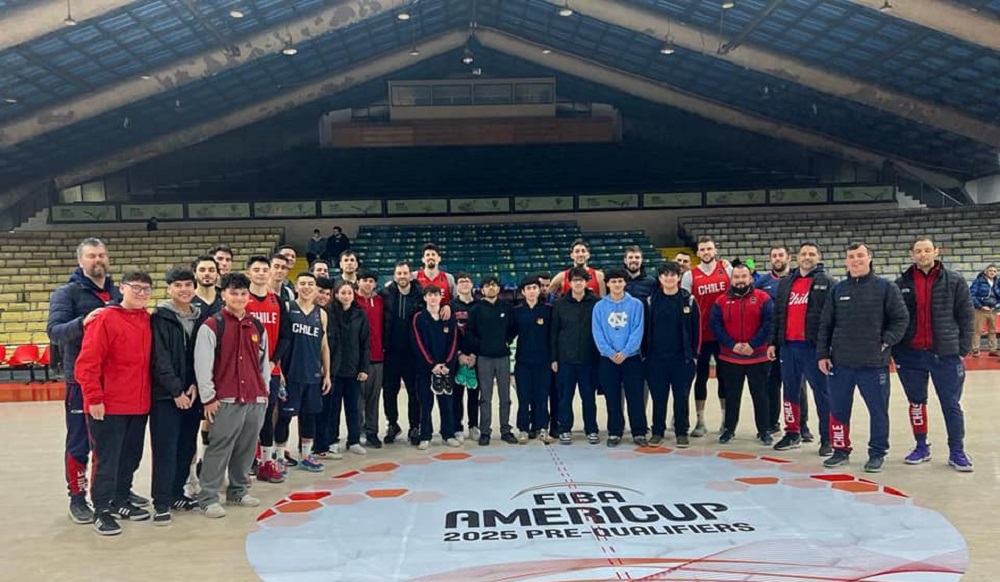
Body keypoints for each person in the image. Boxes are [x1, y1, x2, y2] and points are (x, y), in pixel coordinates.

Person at [46, 237, 128, 525]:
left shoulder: (119, 293)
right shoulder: (66, 294)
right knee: (80, 442)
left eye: (102, 255)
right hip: (80, 381)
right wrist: (83, 322)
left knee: (112, 442)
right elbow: (54, 332)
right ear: (80, 261)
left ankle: (112, 494)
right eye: (92, 256)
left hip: (115, 382)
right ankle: (77, 498)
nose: (98, 260)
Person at [817, 243, 909, 473]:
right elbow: (825, 325)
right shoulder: (838, 290)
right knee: (838, 409)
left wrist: (886, 340)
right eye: (851, 257)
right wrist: (822, 354)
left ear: (869, 258)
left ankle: (877, 452)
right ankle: (840, 449)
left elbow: (901, 319)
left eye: (860, 255)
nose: (856, 260)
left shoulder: (885, 288)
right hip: (841, 363)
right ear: (846, 261)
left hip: (873, 364)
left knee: (878, 411)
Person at [76, 270, 154, 535]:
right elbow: (87, 363)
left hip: (139, 404)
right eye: (136, 287)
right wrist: (94, 398)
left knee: (130, 457)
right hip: (108, 406)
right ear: (122, 288)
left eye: (147, 289)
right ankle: (101, 509)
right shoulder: (106, 318)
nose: (141, 293)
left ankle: (121, 500)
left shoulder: (146, 319)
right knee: (106, 460)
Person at [893, 237, 975, 472]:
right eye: (918, 251)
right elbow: (895, 318)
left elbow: (967, 317)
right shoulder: (901, 283)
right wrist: (897, 350)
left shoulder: (955, 281)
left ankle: (957, 450)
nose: (922, 255)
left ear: (936, 252)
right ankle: (921, 446)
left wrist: (961, 349)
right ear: (912, 255)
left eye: (927, 250)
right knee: (916, 404)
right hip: (911, 355)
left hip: (945, 354)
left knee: (951, 404)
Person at [194, 273, 270, 518]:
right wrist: (208, 398)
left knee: (247, 447)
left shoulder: (257, 326)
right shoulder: (212, 325)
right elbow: (202, 365)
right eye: (233, 293)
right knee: (220, 447)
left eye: (243, 293)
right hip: (225, 399)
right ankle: (208, 497)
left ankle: (238, 490)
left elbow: (263, 363)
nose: (239, 298)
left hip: (254, 398)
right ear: (223, 294)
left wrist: (264, 392)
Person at [150, 267, 205, 526]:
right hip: (166, 396)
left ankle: (176, 494)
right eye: (178, 285)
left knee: (186, 447)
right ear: (169, 288)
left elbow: (202, 355)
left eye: (187, 285)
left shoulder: (200, 316)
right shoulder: (160, 317)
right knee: (166, 449)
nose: (183, 289)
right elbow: (159, 358)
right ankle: (161, 501)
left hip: (192, 395)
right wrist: (175, 391)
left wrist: (194, 385)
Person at [769, 243, 835, 456]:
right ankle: (792, 432)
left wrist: (827, 349)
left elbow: (832, 319)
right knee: (790, 392)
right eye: (804, 253)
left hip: (813, 349)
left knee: (823, 394)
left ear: (819, 257)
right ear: (797, 257)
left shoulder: (828, 283)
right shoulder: (786, 283)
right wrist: (773, 342)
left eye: (812, 254)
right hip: (788, 347)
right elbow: (778, 315)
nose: (808, 257)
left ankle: (827, 438)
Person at [709, 265, 774, 445]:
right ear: (731, 279)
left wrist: (753, 344)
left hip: (758, 356)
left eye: (744, 276)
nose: (740, 280)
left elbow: (769, 323)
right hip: (731, 357)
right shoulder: (720, 301)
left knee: (760, 395)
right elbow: (716, 326)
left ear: (751, 278)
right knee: (732, 395)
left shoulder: (763, 298)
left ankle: (764, 431)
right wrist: (732, 345)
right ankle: (729, 430)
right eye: (736, 277)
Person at [274, 272, 332, 473]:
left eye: (310, 284)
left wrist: (327, 374)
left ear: (316, 289)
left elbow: (324, 346)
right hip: (290, 374)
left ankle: (306, 455)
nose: (307, 287)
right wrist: (278, 369)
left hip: (313, 375)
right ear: (296, 287)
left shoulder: (321, 314)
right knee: (284, 418)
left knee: (309, 416)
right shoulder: (288, 308)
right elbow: (278, 342)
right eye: (303, 284)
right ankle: (279, 457)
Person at [757, 245, 813, 441]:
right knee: (772, 384)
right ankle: (773, 423)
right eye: (774, 256)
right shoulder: (762, 283)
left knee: (798, 387)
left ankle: (802, 425)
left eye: (781, 255)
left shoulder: (800, 280)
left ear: (789, 257)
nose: (777, 258)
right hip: (771, 343)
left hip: (795, 342)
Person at [244, 256, 291, 477]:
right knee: (246, 418)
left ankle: (266, 462)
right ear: (249, 274)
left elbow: (285, 336)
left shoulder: (277, 301)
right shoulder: (242, 300)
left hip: (269, 370)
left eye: (264, 269)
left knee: (266, 416)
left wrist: (274, 361)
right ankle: (245, 461)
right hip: (245, 371)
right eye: (257, 269)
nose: (261, 273)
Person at [681, 236, 733, 437]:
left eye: (709, 248)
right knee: (700, 378)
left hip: (724, 335)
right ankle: (700, 421)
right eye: (702, 249)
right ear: (698, 253)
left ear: (715, 250)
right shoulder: (690, 276)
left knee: (724, 379)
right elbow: (684, 306)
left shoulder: (727, 270)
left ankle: (725, 421)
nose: (706, 252)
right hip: (701, 336)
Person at [644, 262, 699, 448]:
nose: (669, 278)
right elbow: (645, 330)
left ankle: (681, 432)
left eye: (673, 275)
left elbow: (696, 330)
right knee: (659, 397)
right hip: (656, 359)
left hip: (682, 359)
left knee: (681, 397)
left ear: (679, 277)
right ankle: (657, 431)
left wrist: (693, 356)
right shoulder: (651, 301)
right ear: (660, 278)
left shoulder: (688, 300)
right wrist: (646, 356)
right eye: (665, 275)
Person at [592, 268, 646, 447]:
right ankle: (615, 431)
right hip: (608, 359)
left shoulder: (636, 305)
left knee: (635, 396)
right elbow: (598, 332)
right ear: (607, 283)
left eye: (620, 281)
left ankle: (639, 431)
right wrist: (610, 352)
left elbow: (637, 330)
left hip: (630, 358)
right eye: (613, 281)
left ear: (625, 283)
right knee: (612, 397)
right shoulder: (599, 306)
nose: (617, 284)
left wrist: (625, 352)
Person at [551, 267, 601, 445]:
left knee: (589, 397)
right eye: (574, 280)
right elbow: (554, 333)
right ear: (569, 283)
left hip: (589, 359)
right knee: (565, 398)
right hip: (566, 360)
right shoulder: (560, 304)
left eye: (581, 280)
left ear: (586, 282)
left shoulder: (596, 302)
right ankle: (565, 428)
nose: (578, 283)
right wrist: (554, 358)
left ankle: (592, 429)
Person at [467, 275, 516, 446]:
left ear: (499, 288)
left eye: (494, 285)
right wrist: (480, 346)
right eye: (487, 286)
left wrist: (506, 341)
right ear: (482, 289)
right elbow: (470, 332)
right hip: (484, 358)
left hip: (502, 356)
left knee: (505, 396)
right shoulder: (476, 309)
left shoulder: (507, 308)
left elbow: (513, 328)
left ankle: (505, 430)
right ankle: (485, 431)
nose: (491, 288)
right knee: (485, 397)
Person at [380, 261, 425, 445]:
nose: (402, 276)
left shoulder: (420, 295)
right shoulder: (385, 294)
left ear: (410, 275)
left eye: (405, 273)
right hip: (391, 352)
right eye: (399, 273)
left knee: (414, 392)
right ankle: (393, 424)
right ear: (394, 275)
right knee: (390, 392)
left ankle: (415, 426)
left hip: (412, 353)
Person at [411, 284, 461, 450]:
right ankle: (425, 435)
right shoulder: (419, 318)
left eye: (436, 295)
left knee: (446, 402)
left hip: (446, 368)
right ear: (425, 298)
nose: (433, 298)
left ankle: (448, 434)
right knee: (425, 403)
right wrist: (432, 364)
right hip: (425, 369)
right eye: (429, 295)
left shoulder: (449, 317)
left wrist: (446, 363)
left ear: (441, 297)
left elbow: (454, 342)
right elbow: (418, 343)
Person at [326, 280, 370, 456]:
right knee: (333, 408)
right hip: (334, 370)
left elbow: (365, 343)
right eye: (342, 293)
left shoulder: (360, 315)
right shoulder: (328, 313)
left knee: (353, 407)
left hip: (353, 370)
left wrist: (364, 368)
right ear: (336, 294)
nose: (346, 296)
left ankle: (354, 440)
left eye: (349, 293)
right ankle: (332, 440)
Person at [513, 276, 553, 444]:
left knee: (542, 396)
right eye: (528, 288)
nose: (531, 291)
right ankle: (523, 429)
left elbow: (552, 337)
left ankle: (542, 428)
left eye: (534, 288)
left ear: (539, 290)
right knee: (524, 397)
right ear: (523, 292)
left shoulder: (548, 310)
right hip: (522, 362)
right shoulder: (516, 311)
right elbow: (509, 336)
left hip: (543, 362)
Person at [356, 270, 385, 448]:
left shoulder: (380, 302)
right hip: (358, 360)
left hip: (378, 357)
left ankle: (372, 431)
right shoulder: (352, 302)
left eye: (371, 281)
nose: (368, 284)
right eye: (365, 280)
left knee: (374, 398)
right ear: (358, 282)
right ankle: (358, 431)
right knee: (358, 399)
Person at [451, 272, 480, 441]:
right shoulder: (450, 306)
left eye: (466, 281)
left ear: (472, 284)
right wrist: (459, 354)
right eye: (460, 282)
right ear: (456, 286)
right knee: (457, 393)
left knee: (474, 393)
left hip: (475, 356)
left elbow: (483, 331)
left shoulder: (479, 305)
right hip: (458, 356)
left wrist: (474, 354)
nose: (463, 284)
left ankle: (473, 426)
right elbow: (448, 334)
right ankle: (457, 426)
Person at [969, 263, 998, 357]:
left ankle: (992, 350)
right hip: (980, 309)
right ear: (986, 272)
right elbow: (972, 294)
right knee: (977, 330)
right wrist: (980, 306)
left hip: (993, 310)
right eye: (990, 271)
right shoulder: (979, 281)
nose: (992, 272)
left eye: (994, 271)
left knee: (992, 331)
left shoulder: (998, 282)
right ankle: (976, 350)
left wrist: (997, 305)